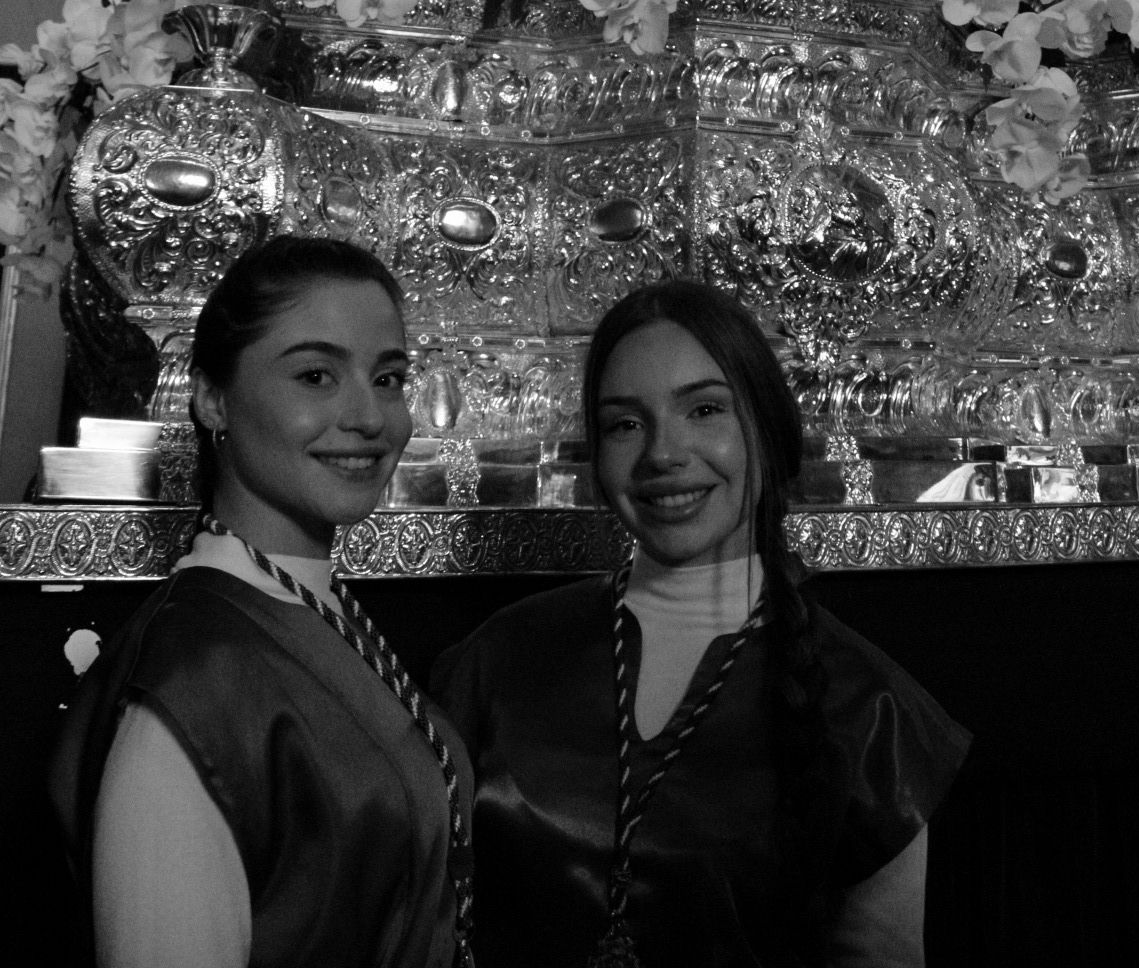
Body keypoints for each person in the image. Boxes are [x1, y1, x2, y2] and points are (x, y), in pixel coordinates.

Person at [433, 279, 968, 967]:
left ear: (767, 431)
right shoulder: (498, 658)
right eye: (625, 424)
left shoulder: (870, 709)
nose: (663, 452)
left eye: (705, 409)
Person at [49, 234, 474, 968]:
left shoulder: (308, 607)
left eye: (388, 377)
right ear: (213, 398)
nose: (371, 417)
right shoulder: (196, 682)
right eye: (315, 375)